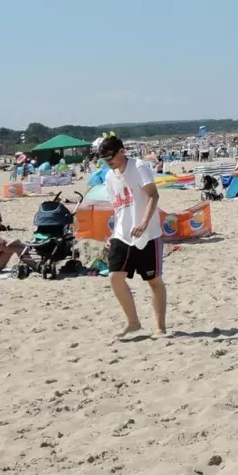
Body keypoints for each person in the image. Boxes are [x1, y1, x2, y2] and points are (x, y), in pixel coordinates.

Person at [96, 134, 167, 338]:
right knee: (114, 278)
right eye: (104, 160)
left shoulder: (139, 167)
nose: (108, 163)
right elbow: (118, 208)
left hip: (148, 234)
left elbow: (153, 195)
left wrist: (144, 222)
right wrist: (112, 233)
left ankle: (160, 327)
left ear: (121, 151)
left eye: (111, 158)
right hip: (122, 234)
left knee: (154, 281)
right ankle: (133, 322)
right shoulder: (109, 176)